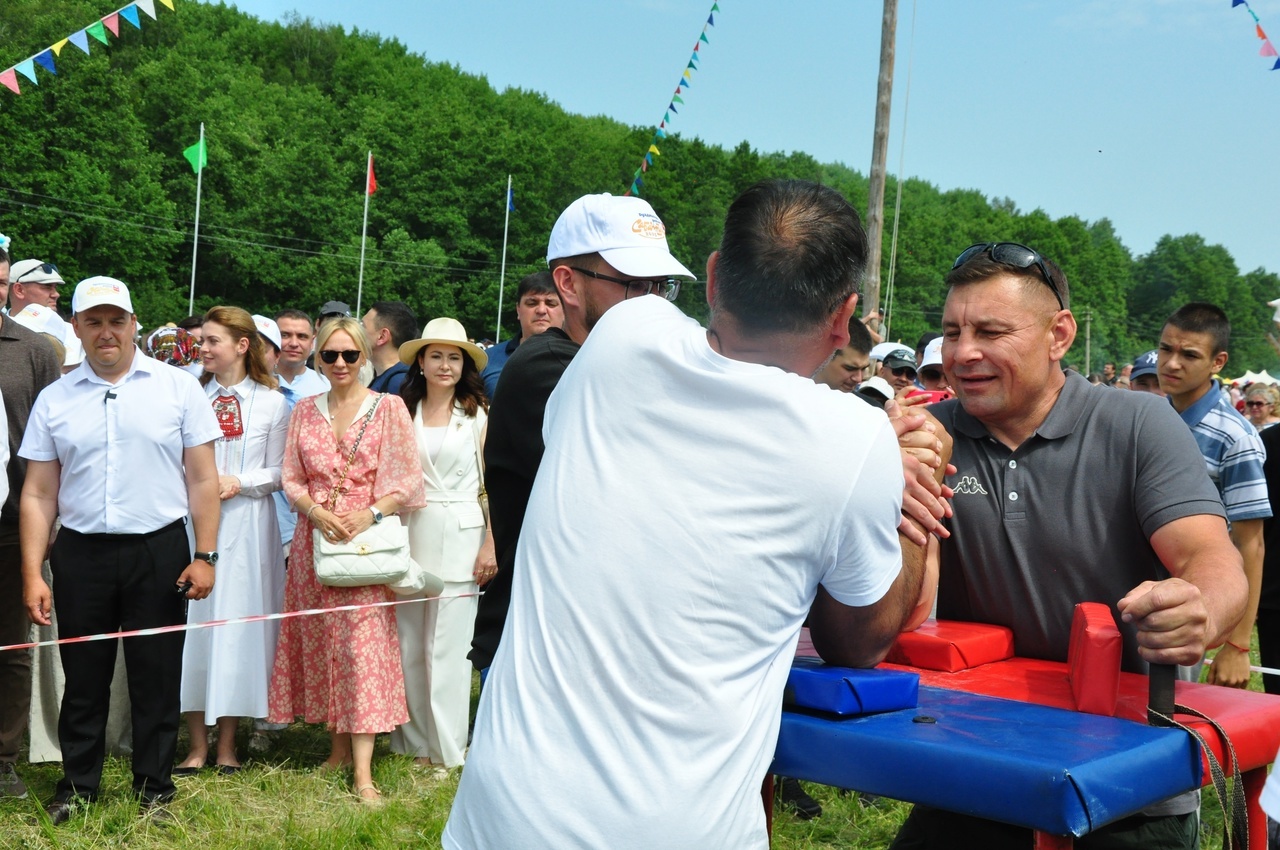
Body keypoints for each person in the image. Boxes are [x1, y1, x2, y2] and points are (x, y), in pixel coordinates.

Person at [445, 180, 947, 849]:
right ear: (844, 315)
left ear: (712, 276)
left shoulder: (621, 336)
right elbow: (858, 641)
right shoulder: (855, 443)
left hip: (503, 817)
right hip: (678, 828)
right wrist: (911, 480)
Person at [889, 243, 1248, 850]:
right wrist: (880, 482)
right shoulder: (928, 435)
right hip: (971, 768)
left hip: (1125, 783)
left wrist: (1201, 609)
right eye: (951, 332)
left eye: (991, 331)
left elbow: (1210, 556)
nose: (962, 352)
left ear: (1059, 335)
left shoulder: (1137, 424)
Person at [467, 192, 699, 676]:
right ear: (568, 284)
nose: (651, 302)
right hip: (536, 650)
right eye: (634, 284)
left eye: (661, 285)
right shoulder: (551, 368)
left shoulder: (617, 364)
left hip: (592, 645)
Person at [20, 276, 222, 824]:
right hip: (81, 553)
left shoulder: (178, 389)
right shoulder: (55, 398)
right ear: (78, 329)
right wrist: (33, 570)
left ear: (134, 324)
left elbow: (203, 480)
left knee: (155, 676)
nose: (106, 333)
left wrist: (205, 556)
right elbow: (39, 492)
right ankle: (78, 786)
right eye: (93, 321)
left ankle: (155, 789)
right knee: (83, 677)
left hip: (158, 550)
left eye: (116, 321)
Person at [266, 316, 426, 806]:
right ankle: (336, 751)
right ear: (318, 357)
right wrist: (315, 511)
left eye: (349, 355)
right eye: (330, 355)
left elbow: (407, 480)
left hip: (364, 545)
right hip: (316, 542)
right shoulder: (304, 412)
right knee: (323, 645)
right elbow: (291, 477)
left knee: (361, 653)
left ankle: (364, 772)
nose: (339, 364)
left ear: (363, 357)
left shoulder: (388, 407)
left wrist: (368, 513)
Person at [176, 307, 290, 774]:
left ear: (242, 346)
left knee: (239, 628)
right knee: (193, 628)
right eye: (202, 341)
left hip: (248, 526)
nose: (202, 349)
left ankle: (228, 745)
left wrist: (238, 482)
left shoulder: (272, 402)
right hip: (192, 524)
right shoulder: (187, 393)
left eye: (212, 341)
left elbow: (284, 470)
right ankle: (195, 744)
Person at [389, 317, 495, 773]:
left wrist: (491, 541)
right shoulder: (400, 410)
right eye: (437, 356)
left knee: (448, 653)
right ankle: (412, 744)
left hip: (462, 536)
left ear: (465, 365)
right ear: (421, 362)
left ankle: (448, 751)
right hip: (409, 534)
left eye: (454, 357)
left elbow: (491, 485)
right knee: (409, 646)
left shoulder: (476, 415)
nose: (445, 365)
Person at [1157, 302, 1269, 690]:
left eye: (1189, 355)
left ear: (1218, 362)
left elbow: (1250, 544)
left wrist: (1237, 642)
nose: (1171, 363)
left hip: (1188, 604)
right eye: (1165, 349)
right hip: (1135, 593)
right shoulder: (1148, 417)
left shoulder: (1235, 438)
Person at [0, 246, 61, 800]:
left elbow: (50, 447)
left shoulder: (33, 350)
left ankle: (2, 759)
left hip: (10, 520)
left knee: (11, 646)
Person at [480, 270, 564, 398]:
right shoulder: (487, 360)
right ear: (518, 310)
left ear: (565, 310)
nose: (541, 310)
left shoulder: (580, 359)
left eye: (550, 303)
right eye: (532, 303)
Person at [361, 301, 417, 395]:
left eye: (363, 326)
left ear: (382, 336)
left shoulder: (398, 383)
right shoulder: (393, 378)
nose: (356, 331)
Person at [274, 309, 329, 403]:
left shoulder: (326, 387)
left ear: (312, 342)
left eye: (302, 336)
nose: (294, 343)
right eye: (285, 335)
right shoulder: (255, 382)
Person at [814, 313, 874, 393]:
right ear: (824, 357)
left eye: (863, 369)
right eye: (850, 368)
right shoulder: (794, 396)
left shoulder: (867, 404)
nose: (858, 379)